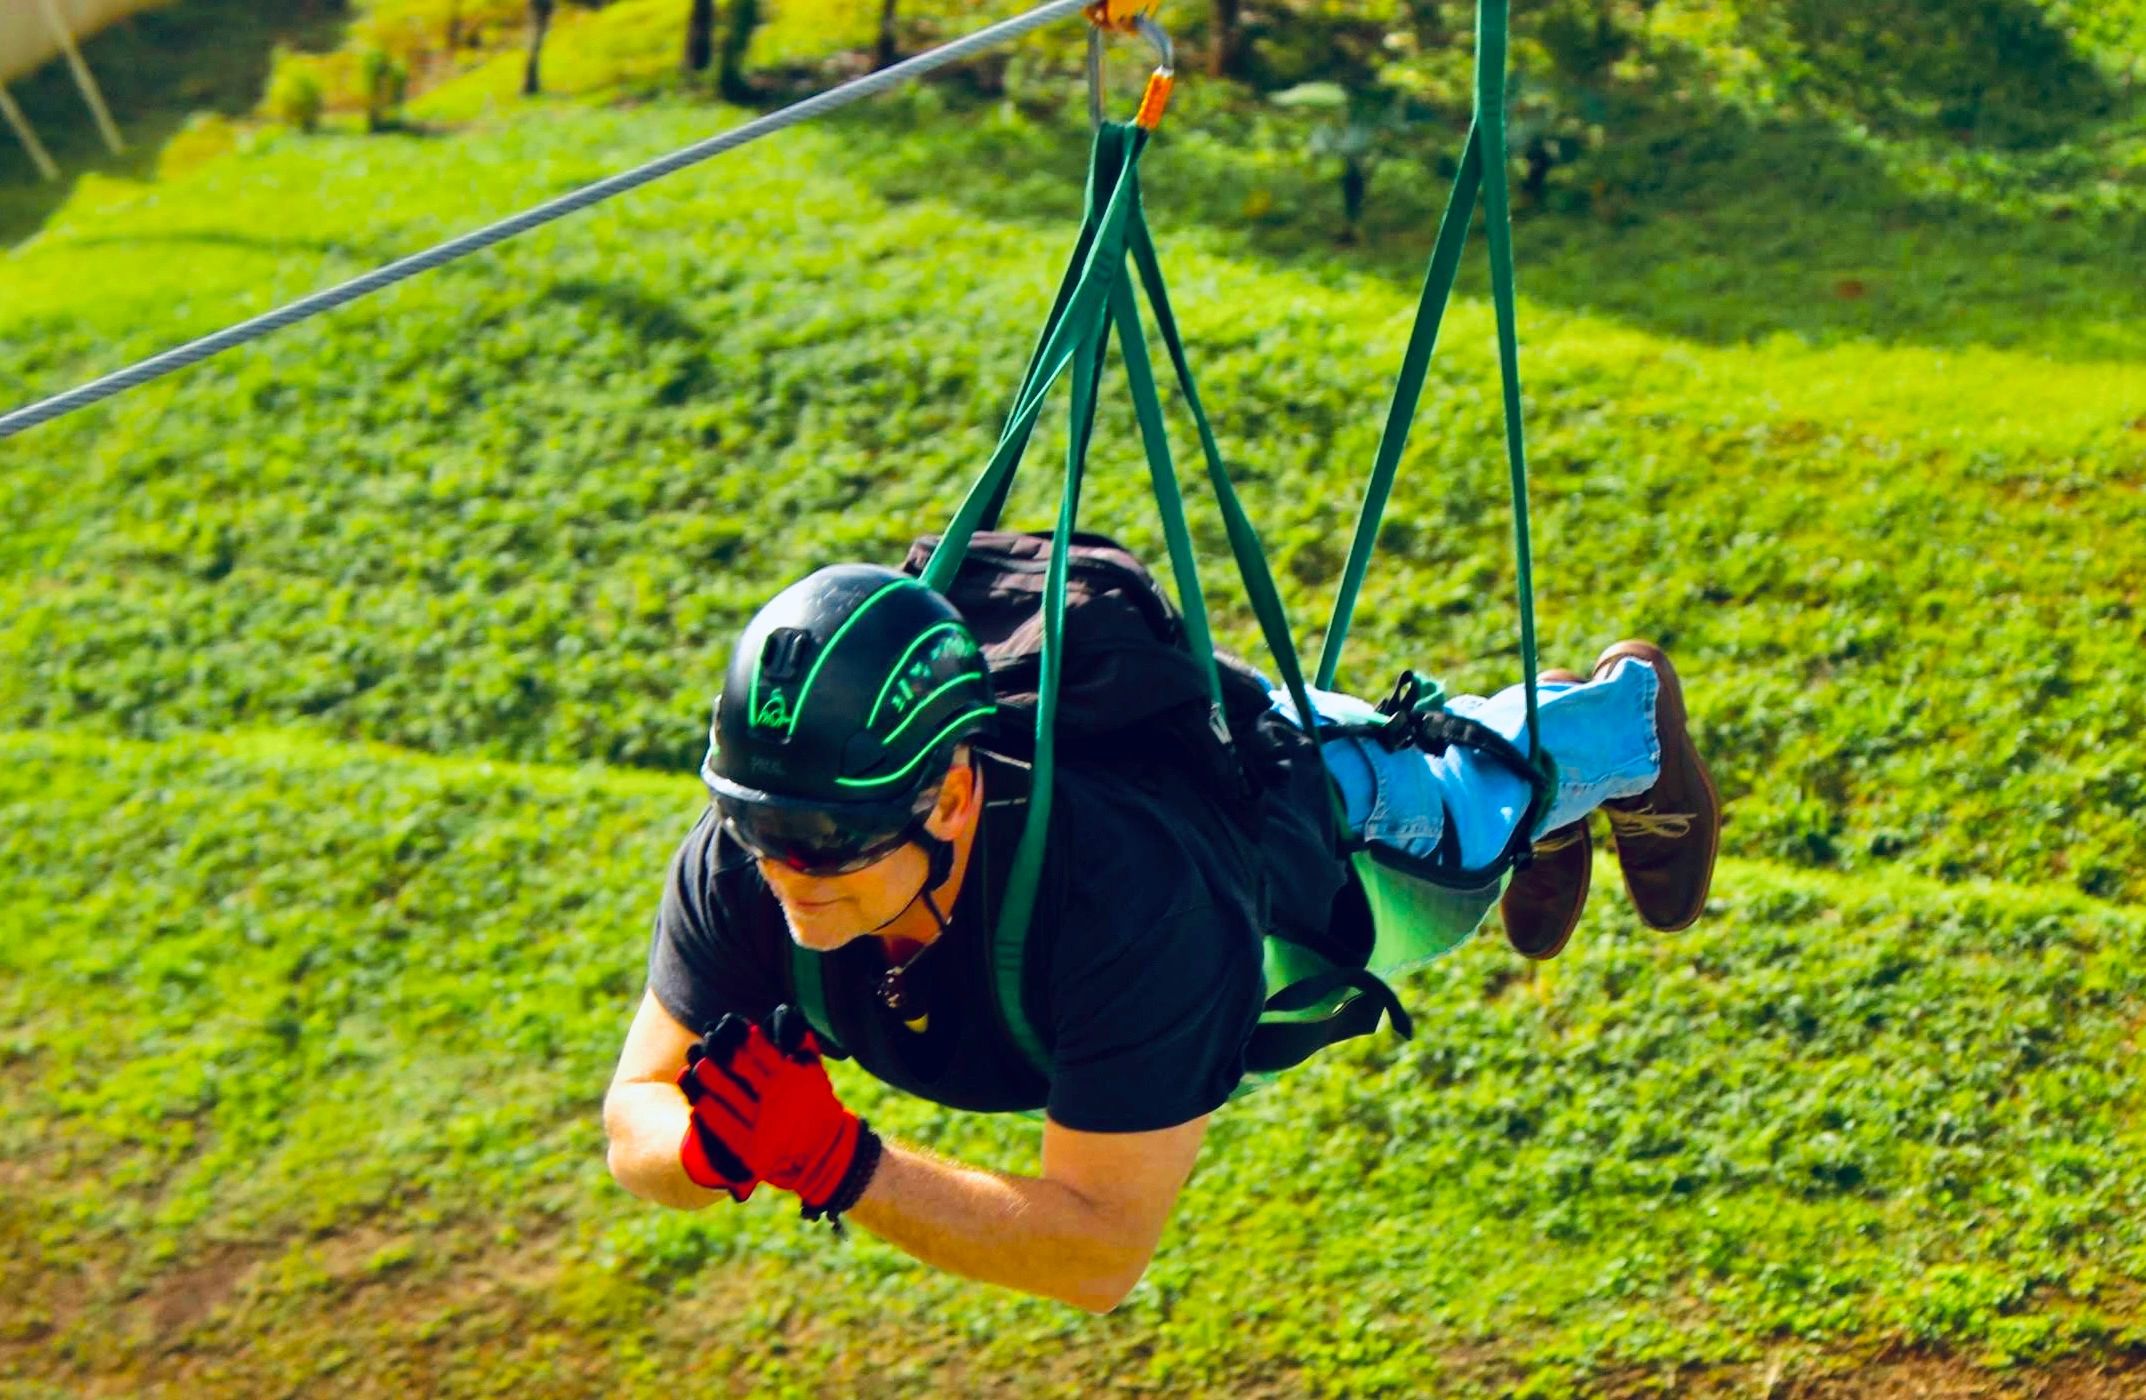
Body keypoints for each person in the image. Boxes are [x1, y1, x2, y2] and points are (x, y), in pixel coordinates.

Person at [603, 562, 1719, 1313]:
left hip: (1309, 849)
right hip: (1144, 865)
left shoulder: (1127, 900)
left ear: (949, 797)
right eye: (758, 827)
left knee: (1470, 825)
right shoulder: (752, 850)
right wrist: (712, 1150)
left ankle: (1620, 722)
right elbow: (634, 1110)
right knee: (1501, 810)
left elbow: (1098, 1252)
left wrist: (841, 1164)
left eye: (833, 842)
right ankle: (1546, 794)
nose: (785, 869)